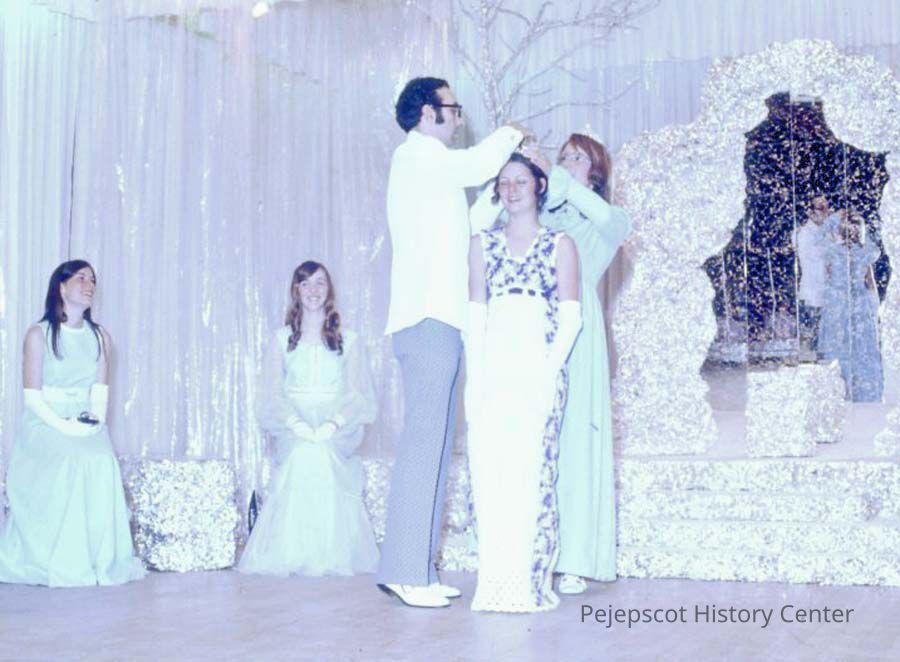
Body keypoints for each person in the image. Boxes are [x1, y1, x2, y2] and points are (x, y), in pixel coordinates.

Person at [377, 76, 527, 608]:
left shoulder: (431, 168)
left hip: (440, 320)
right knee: (425, 445)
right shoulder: (418, 155)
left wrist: (497, 198)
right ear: (427, 112)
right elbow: (476, 165)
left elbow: (464, 225)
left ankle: (418, 568)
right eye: (453, 108)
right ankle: (404, 570)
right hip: (427, 319)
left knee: (436, 447)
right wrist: (511, 133)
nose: (459, 119)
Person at [469, 133, 632, 595]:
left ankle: (575, 558)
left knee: (575, 444)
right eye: (562, 157)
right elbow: (486, 222)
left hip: (578, 337)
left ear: (595, 171)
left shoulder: (602, 220)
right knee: (533, 446)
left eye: (578, 158)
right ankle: (532, 550)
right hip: (526, 339)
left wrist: (555, 176)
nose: (567, 163)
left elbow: (611, 221)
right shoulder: (540, 218)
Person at [465, 153, 581, 612]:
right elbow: (475, 316)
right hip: (492, 374)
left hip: (536, 373)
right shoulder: (482, 244)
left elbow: (570, 320)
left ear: (539, 186)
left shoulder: (560, 245)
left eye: (521, 181)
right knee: (490, 473)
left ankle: (528, 584)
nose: (511, 190)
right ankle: (494, 583)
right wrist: (475, 378)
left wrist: (546, 377)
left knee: (530, 475)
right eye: (504, 182)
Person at [0, 260, 146, 587]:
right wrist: (65, 428)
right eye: (81, 278)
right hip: (45, 421)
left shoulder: (100, 337)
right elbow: (32, 398)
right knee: (73, 460)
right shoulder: (38, 335)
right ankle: (57, 558)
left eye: (92, 279)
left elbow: (100, 391)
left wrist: (93, 424)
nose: (89, 284)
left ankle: (96, 558)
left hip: (84, 420)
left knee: (102, 460)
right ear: (61, 287)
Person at [239, 261, 378, 576]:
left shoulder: (349, 339)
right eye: (305, 284)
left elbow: (359, 395)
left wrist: (334, 423)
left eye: (319, 283)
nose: (313, 290)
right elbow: (271, 394)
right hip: (293, 422)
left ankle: (330, 553)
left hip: (336, 422)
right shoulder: (281, 339)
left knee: (323, 452)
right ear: (296, 291)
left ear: (329, 290)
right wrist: (295, 424)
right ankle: (291, 552)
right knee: (303, 453)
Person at [819, 214, 883, 401]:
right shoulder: (865, 252)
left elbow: (828, 278)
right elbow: (870, 282)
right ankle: (859, 389)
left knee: (839, 343)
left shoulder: (832, 252)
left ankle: (840, 389)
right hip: (859, 303)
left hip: (838, 302)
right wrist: (876, 306)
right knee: (860, 346)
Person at [792, 196, 835, 356]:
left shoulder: (828, 232)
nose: (826, 212)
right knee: (813, 330)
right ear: (810, 212)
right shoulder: (804, 233)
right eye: (821, 208)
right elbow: (818, 255)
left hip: (829, 287)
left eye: (827, 208)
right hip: (813, 288)